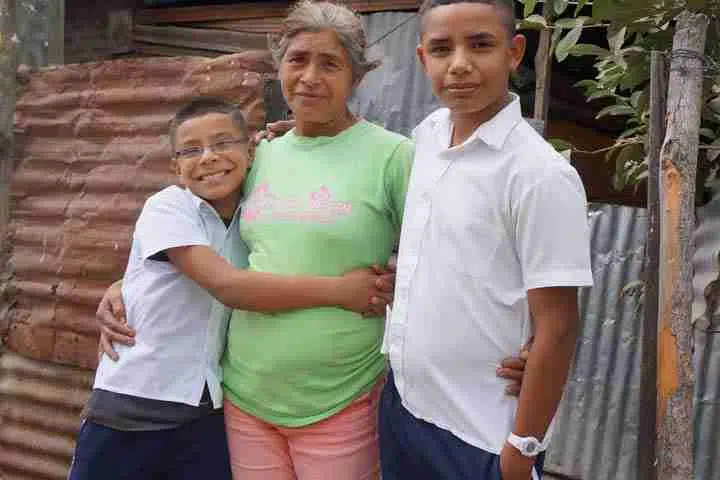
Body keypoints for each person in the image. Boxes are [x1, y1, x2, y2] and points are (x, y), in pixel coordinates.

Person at [96, 2, 530, 479]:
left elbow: (459, 252)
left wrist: (522, 334)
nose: (310, 77)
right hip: (245, 397)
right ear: (279, 66)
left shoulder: (393, 157)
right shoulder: (257, 156)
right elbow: (203, 234)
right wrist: (125, 288)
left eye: (330, 63)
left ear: (356, 76)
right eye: (297, 60)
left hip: (341, 396)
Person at [69, 98, 395, 480]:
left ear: (251, 151)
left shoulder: (254, 218)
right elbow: (228, 286)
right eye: (190, 150)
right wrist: (342, 291)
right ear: (175, 168)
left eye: (223, 143)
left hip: (206, 410)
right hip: (134, 405)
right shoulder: (169, 207)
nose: (208, 157)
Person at [378, 1, 594, 479]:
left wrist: (520, 452)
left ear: (514, 52)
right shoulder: (430, 135)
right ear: (422, 59)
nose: (459, 64)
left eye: (480, 45)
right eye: (441, 49)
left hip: (480, 435)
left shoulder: (538, 175)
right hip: (405, 407)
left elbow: (557, 325)